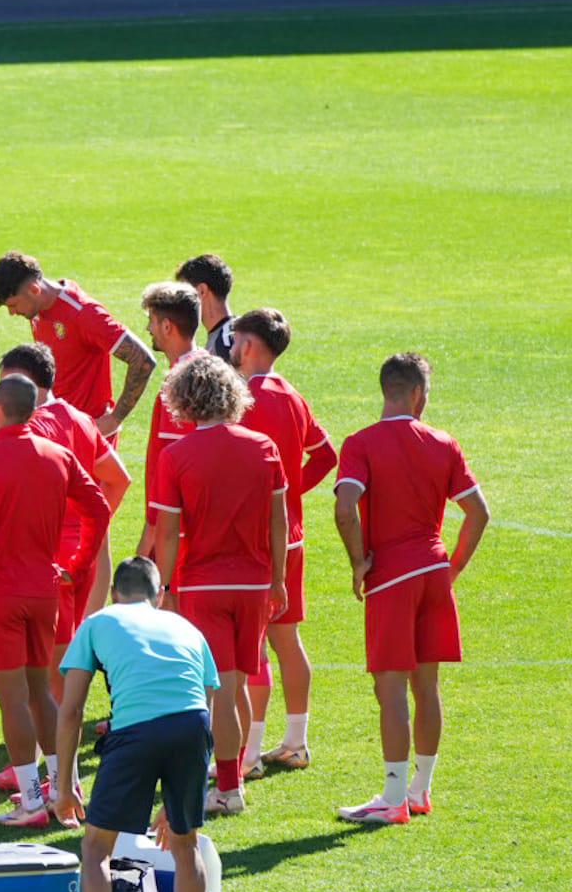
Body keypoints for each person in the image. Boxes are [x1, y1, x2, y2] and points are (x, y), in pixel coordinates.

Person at [0, 375, 111, 829]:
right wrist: (77, 563)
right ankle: (61, 790)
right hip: (45, 589)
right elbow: (100, 508)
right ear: (33, 411)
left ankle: (31, 801)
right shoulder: (59, 456)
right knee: (40, 694)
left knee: (12, 700)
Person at [333, 353, 490, 826]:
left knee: (391, 688)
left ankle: (392, 798)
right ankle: (420, 792)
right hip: (434, 570)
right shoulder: (444, 442)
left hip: (392, 578)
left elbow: (344, 510)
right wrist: (453, 567)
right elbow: (478, 514)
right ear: (418, 393)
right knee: (427, 685)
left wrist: (359, 562)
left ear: (388, 390)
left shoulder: (361, 443)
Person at [45, 558, 214, 892]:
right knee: (185, 842)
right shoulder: (187, 629)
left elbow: (71, 711)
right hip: (192, 729)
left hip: (137, 729)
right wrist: (176, 799)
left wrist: (64, 787)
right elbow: (205, 708)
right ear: (159, 595)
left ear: (114, 594)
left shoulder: (99, 622)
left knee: (97, 845)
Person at [151, 354, 287, 818]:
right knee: (239, 686)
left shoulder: (176, 456)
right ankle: (239, 768)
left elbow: (168, 532)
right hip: (253, 585)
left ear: (183, 400)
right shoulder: (264, 447)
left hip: (205, 585)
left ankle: (228, 788)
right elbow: (278, 522)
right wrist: (279, 580)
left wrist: (165, 587)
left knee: (221, 693)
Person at [229, 308, 337, 776]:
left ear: (249, 345)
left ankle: (248, 754)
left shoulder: (242, 398)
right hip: (290, 537)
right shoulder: (293, 394)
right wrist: (291, 492)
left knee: (250, 646)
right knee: (287, 639)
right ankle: (296, 741)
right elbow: (326, 455)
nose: (230, 349)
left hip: (255, 540)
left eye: (234, 340)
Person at [4, 342, 132, 716]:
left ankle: (46, 767)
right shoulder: (78, 419)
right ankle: (59, 764)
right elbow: (118, 480)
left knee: (42, 670)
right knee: (66, 662)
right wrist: (91, 528)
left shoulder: (30, 428)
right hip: (81, 557)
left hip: (47, 556)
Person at [0, 251, 155, 440]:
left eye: (13, 305)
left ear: (34, 289)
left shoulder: (83, 314)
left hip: (89, 435)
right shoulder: (37, 309)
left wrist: (115, 418)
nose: (12, 313)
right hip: (58, 430)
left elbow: (142, 359)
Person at [135, 281, 203, 559]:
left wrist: (146, 545)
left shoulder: (179, 384)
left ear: (167, 327)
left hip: (178, 530)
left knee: (170, 601)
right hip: (195, 523)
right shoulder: (204, 367)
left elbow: (170, 471)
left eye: (151, 320)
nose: (148, 329)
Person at [176, 253, 236, 363]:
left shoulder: (226, 343)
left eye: (184, 294)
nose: (180, 302)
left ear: (202, 291)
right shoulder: (230, 334)